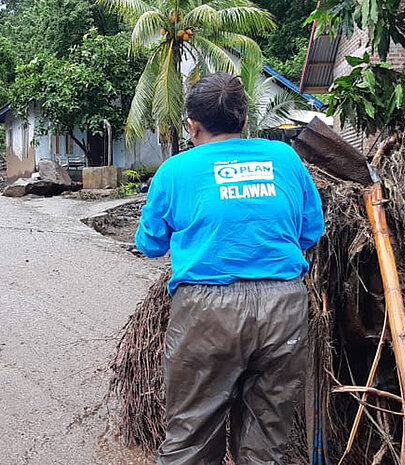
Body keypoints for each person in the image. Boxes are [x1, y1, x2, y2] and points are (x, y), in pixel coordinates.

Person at [135, 72, 325, 465]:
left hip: (206, 313)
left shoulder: (174, 171)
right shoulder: (285, 158)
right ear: (245, 120)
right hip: (283, 309)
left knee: (190, 437)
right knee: (266, 441)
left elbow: (149, 246)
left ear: (193, 125)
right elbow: (309, 232)